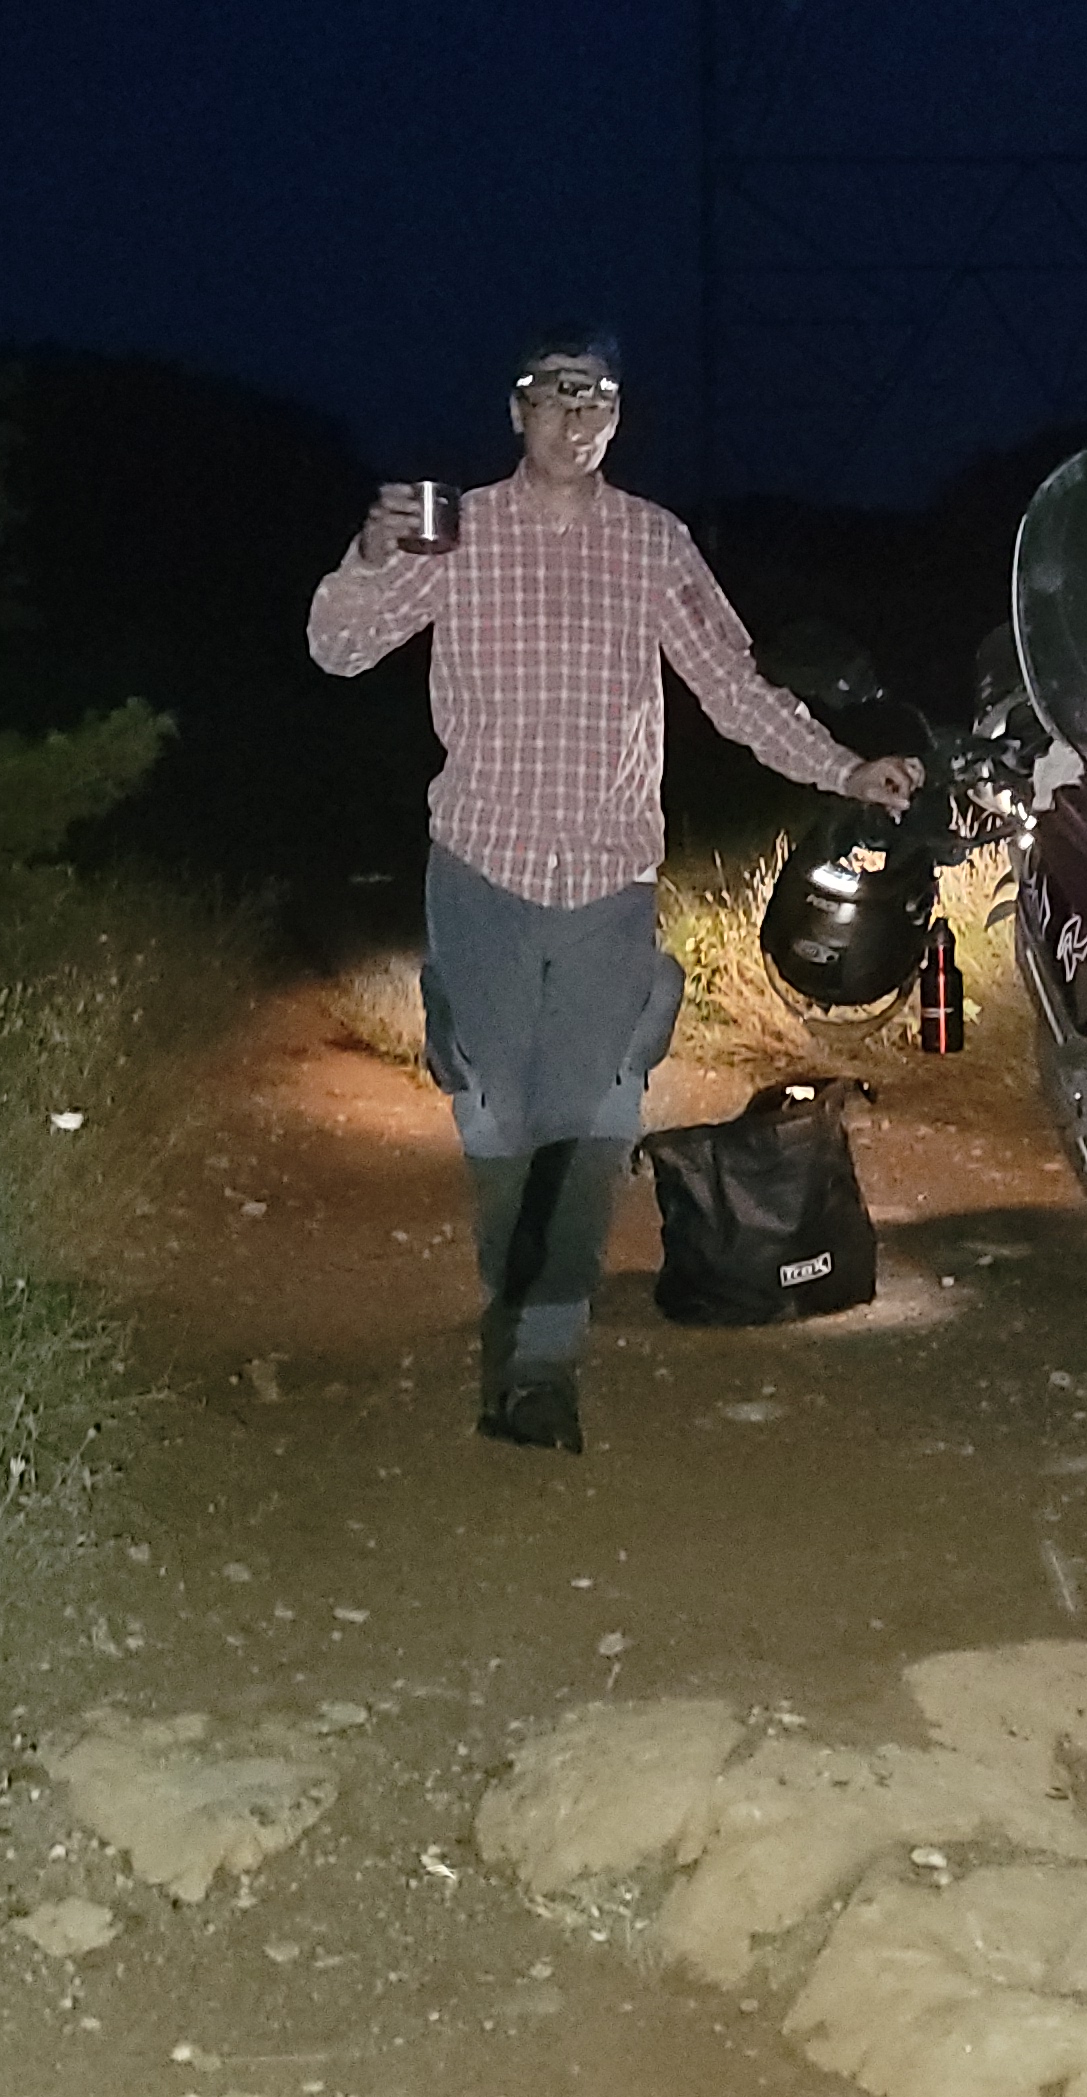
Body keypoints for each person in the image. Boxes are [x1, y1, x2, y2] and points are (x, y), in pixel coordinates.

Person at [308, 325, 920, 1453]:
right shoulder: (457, 534)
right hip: (481, 863)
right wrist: (369, 551)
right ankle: (514, 1305)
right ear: (516, 411)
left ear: (619, 420)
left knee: (592, 1116)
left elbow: (733, 691)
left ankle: (543, 1364)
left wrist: (844, 767)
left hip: (607, 874)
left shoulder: (654, 543)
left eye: (598, 400)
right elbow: (338, 649)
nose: (576, 417)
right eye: (554, 395)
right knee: (496, 1114)